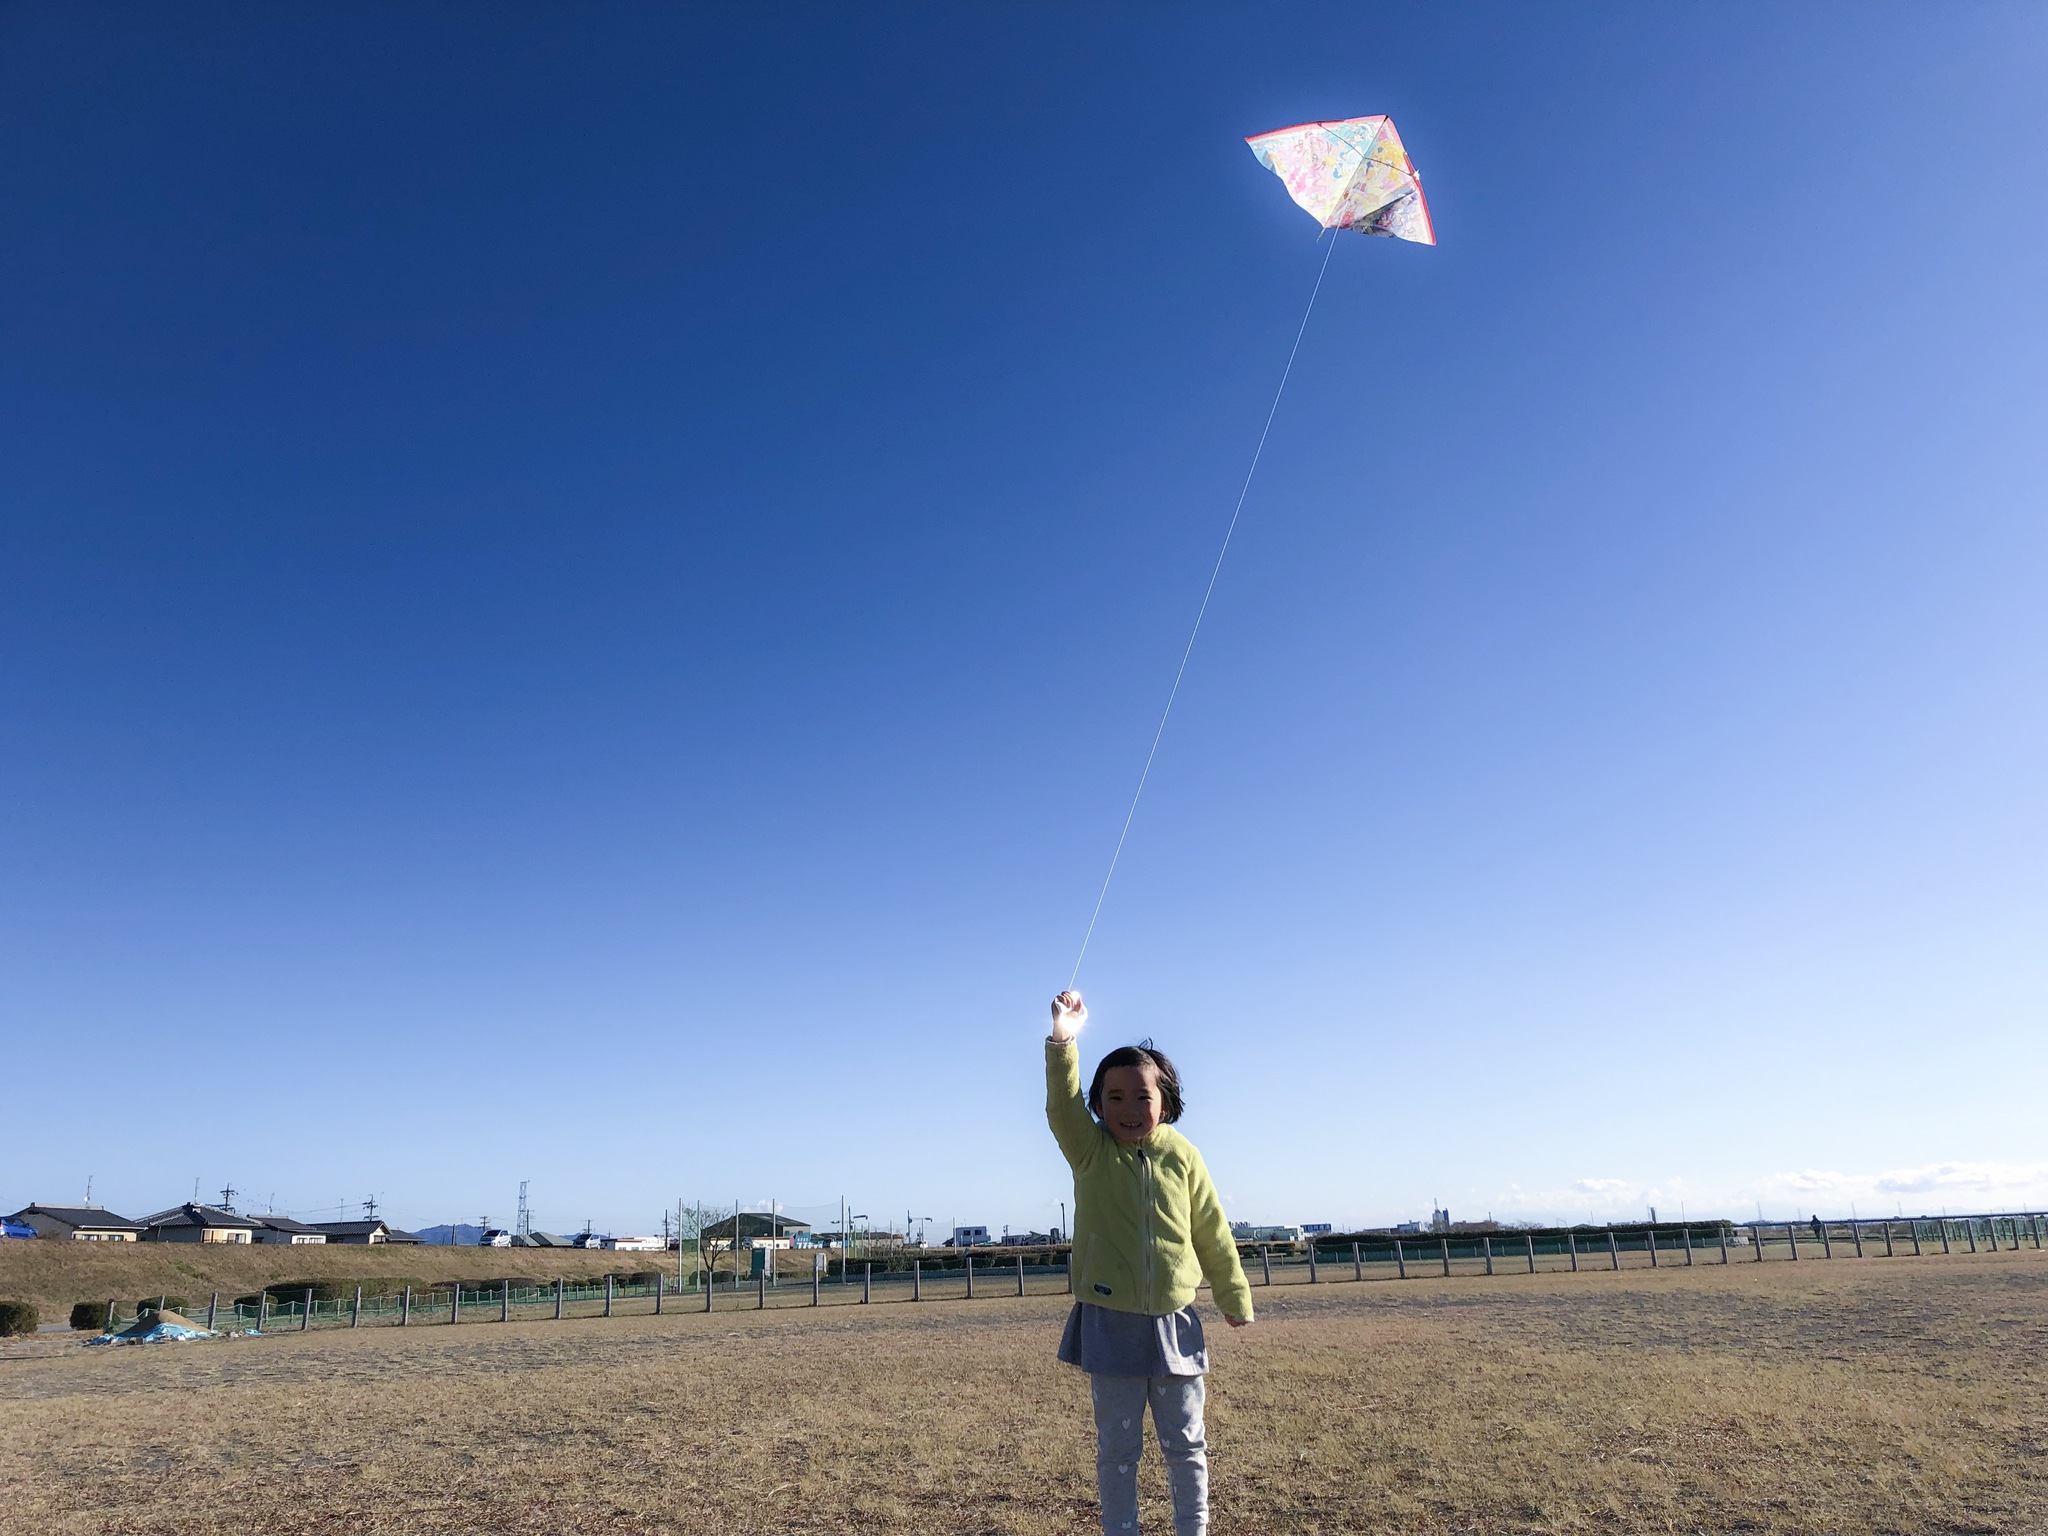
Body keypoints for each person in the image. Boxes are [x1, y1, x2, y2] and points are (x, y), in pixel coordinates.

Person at [1044, 989, 1253, 1536]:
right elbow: (1061, 1104)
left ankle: (1194, 1529)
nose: (1128, 1110)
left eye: (1141, 1096)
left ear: (1165, 1102)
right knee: (1117, 1448)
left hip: (1176, 1321)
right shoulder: (1088, 1151)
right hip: (1108, 1322)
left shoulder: (1183, 1156)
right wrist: (1064, 1035)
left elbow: (1211, 1229)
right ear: (1098, 1104)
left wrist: (1233, 1295)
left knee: (1186, 1444)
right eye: (1113, 1098)